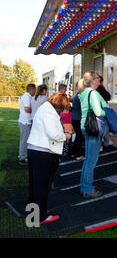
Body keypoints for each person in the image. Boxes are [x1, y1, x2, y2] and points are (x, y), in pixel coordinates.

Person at [27, 92, 71, 224]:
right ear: (59, 105)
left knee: (35, 184)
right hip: (43, 152)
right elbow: (53, 134)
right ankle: (40, 216)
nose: (62, 111)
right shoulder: (49, 112)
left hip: (36, 150)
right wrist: (66, 135)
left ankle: (34, 212)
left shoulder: (44, 108)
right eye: (62, 108)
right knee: (42, 185)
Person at [79, 71, 108, 198]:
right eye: (97, 78)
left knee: (88, 159)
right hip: (93, 128)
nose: (99, 80)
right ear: (92, 81)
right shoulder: (93, 93)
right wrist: (108, 113)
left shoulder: (83, 93)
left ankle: (85, 185)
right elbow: (98, 111)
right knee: (91, 160)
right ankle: (87, 189)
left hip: (85, 126)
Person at [18, 84, 36, 165]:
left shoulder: (29, 97)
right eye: (34, 90)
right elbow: (27, 109)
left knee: (26, 140)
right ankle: (22, 157)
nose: (35, 92)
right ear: (31, 90)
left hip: (27, 121)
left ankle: (25, 156)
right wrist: (35, 110)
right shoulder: (26, 97)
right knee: (24, 140)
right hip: (25, 121)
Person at [71, 80, 85, 160]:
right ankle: (78, 155)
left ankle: (74, 152)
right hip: (78, 118)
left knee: (78, 136)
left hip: (75, 118)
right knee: (79, 136)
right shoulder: (80, 95)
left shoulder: (77, 95)